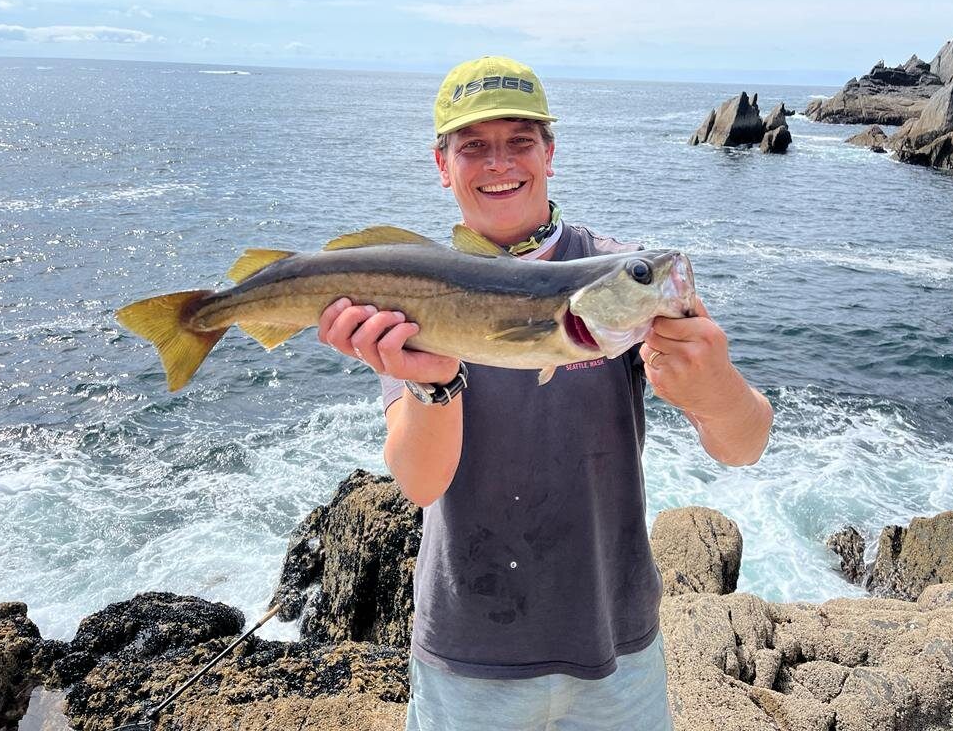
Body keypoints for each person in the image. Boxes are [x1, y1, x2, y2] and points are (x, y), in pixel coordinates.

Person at [318, 56, 773, 730]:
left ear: (550, 153)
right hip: (469, 657)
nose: (499, 162)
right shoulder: (409, 294)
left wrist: (714, 387)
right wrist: (435, 384)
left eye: (520, 142)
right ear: (442, 165)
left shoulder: (621, 277)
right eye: (474, 146)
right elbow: (418, 481)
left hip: (617, 649)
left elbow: (745, 445)